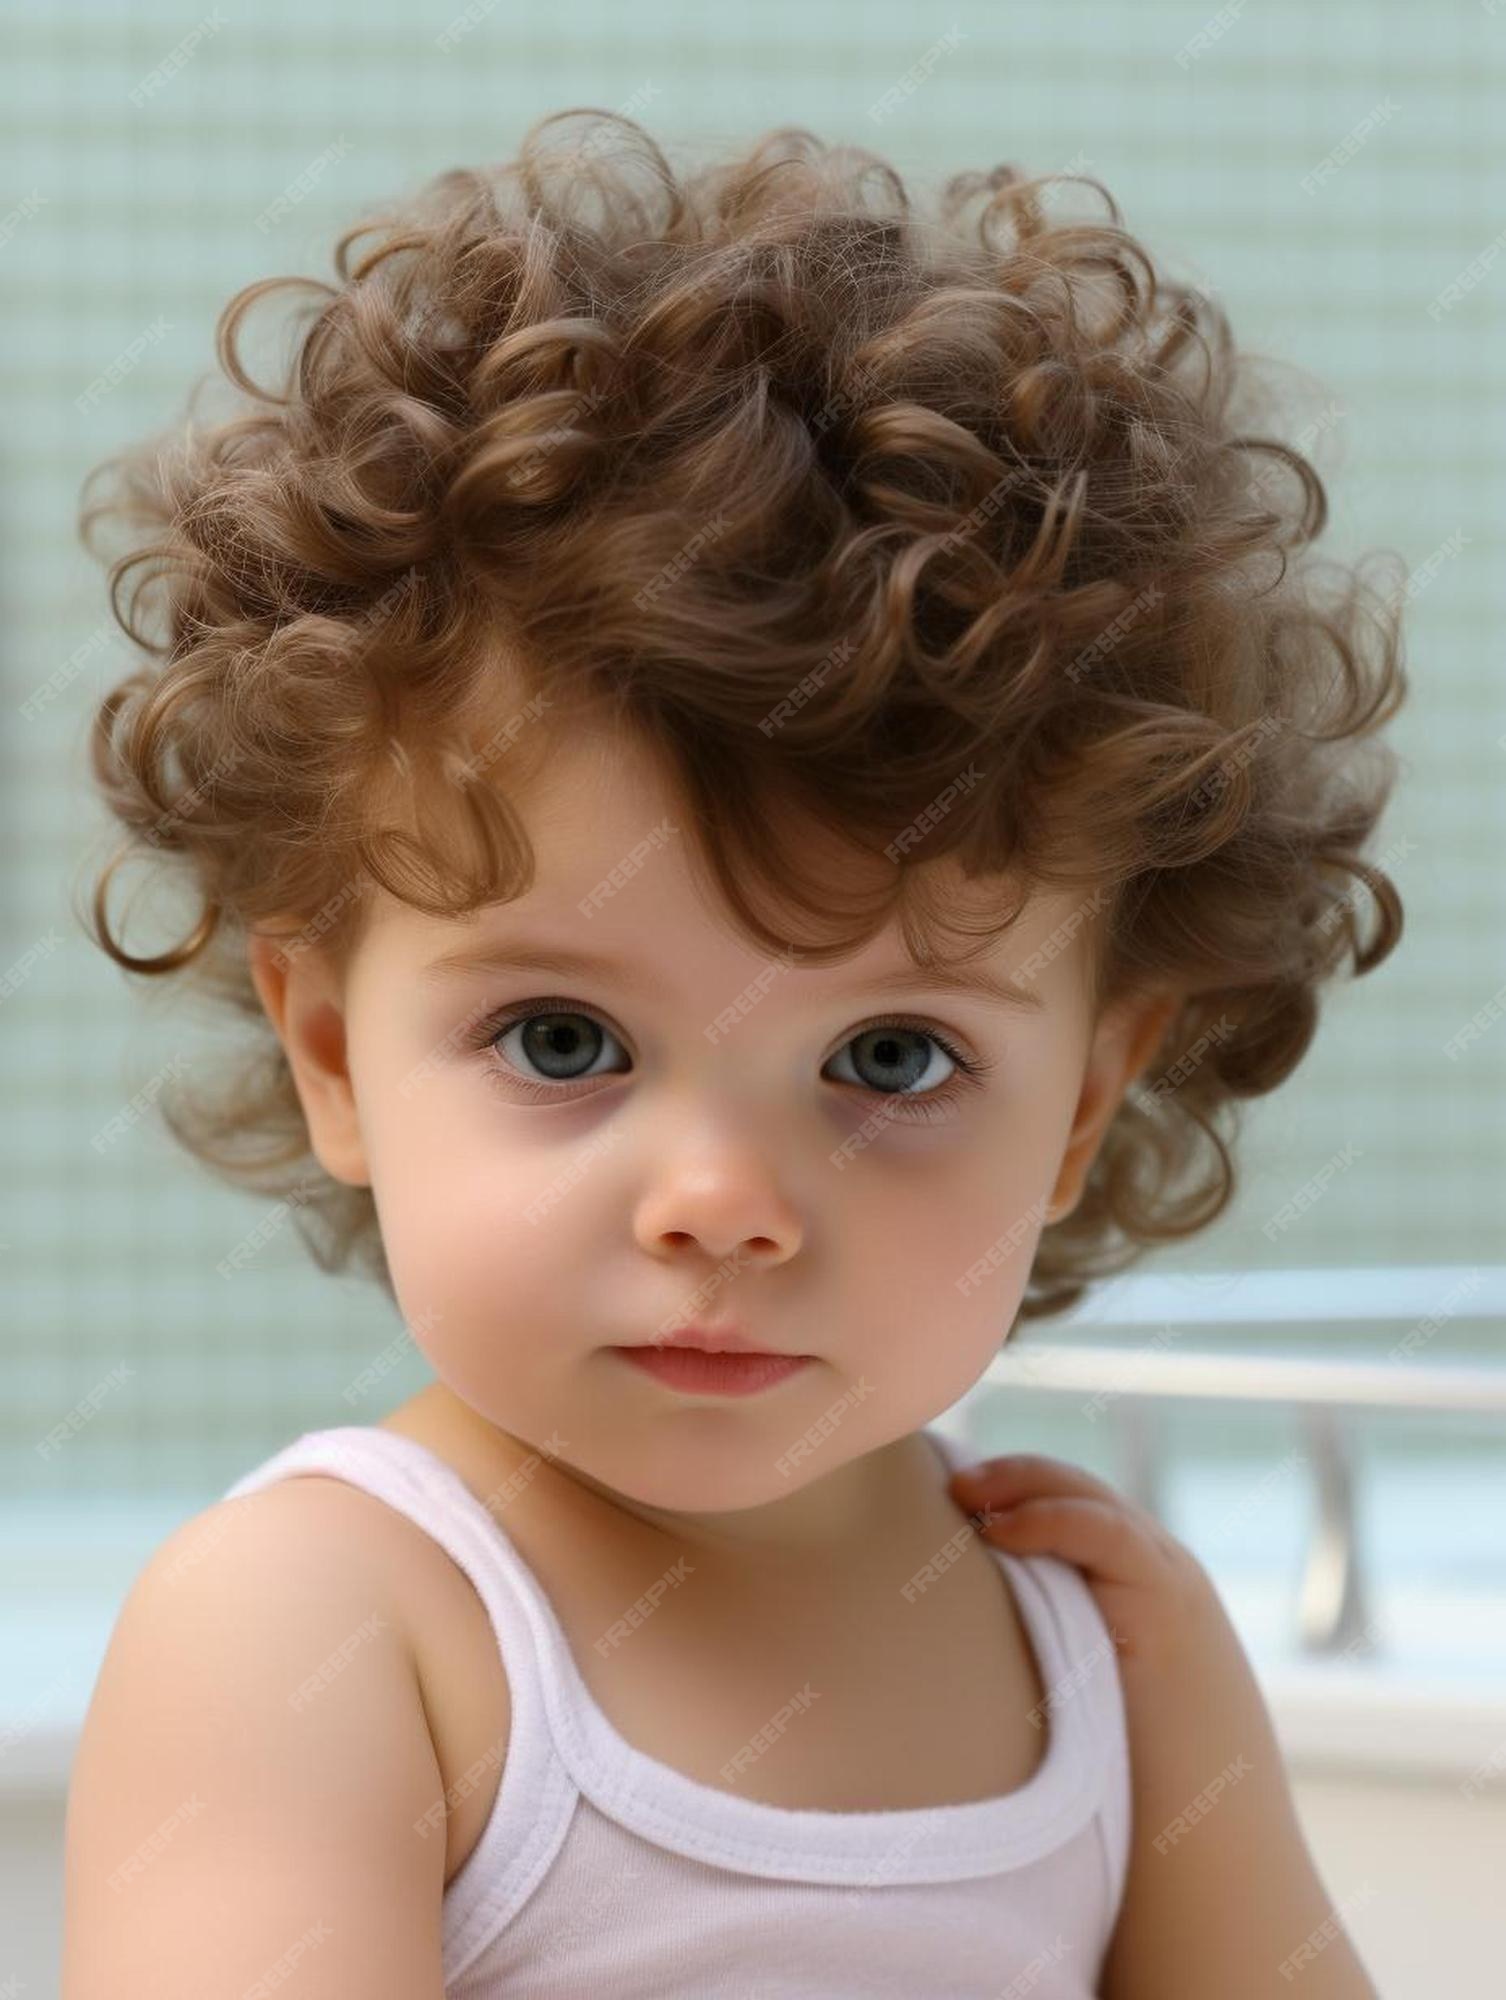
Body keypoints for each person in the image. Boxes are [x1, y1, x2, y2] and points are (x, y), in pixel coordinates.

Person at [61, 108, 1399, 1997]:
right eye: (562, 1035)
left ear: (1088, 1099)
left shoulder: (1102, 1655)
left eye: (893, 1065)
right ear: (337, 1054)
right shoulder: (332, 1629)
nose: (724, 1205)